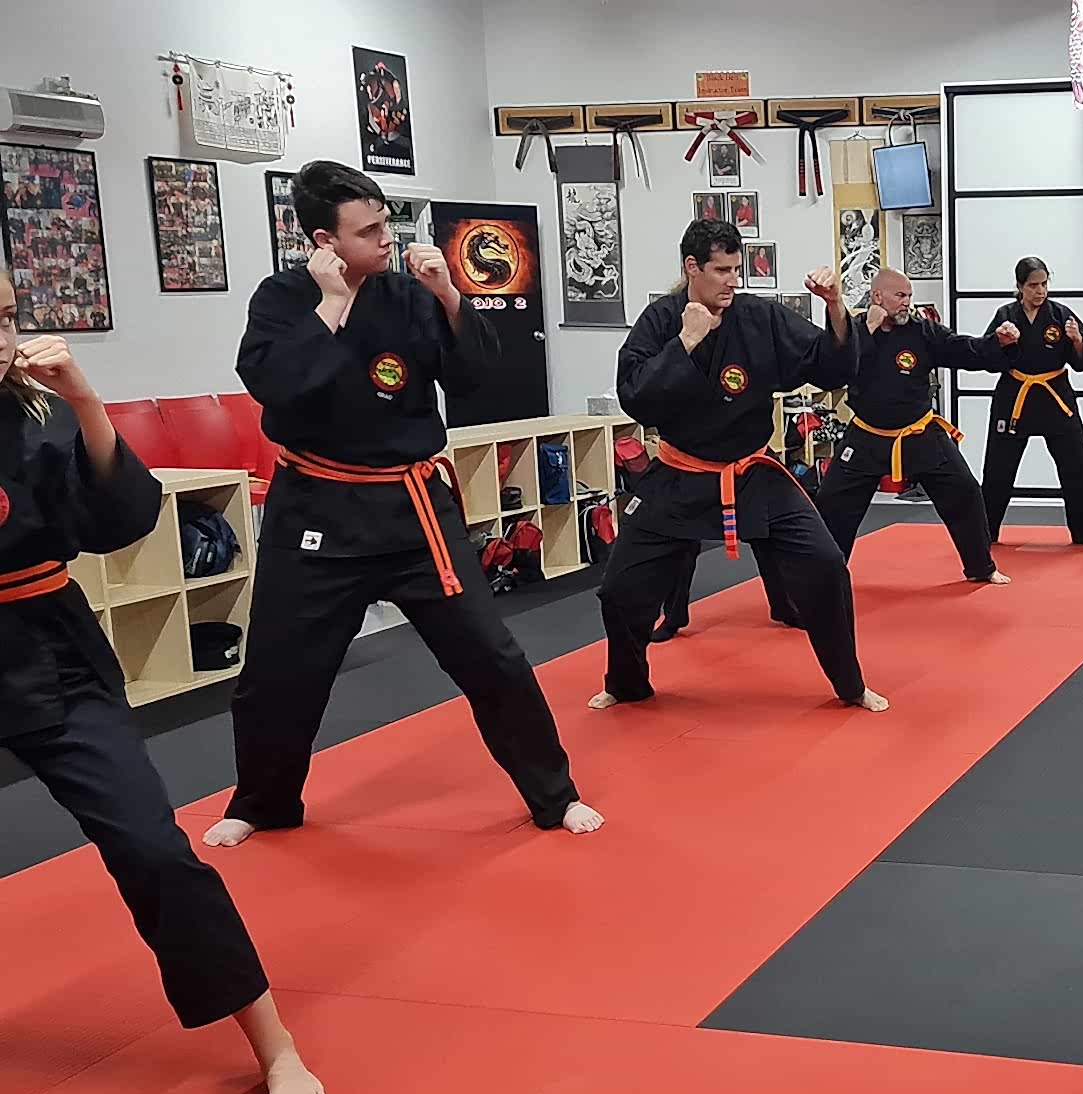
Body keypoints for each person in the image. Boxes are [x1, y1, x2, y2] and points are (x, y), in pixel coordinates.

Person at [203, 162, 599, 850]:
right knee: (277, 674)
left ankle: (554, 794)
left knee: (493, 656)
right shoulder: (283, 299)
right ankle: (264, 802)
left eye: (387, 222)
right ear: (324, 241)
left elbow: (475, 380)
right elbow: (278, 386)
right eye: (369, 230)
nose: (387, 238)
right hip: (318, 509)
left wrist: (449, 296)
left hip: (414, 510)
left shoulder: (408, 294)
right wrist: (331, 305)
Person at [1, 283, 324, 1094]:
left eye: (5, 317)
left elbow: (121, 520)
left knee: (153, 849)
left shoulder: (40, 412)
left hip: (49, 648)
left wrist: (86, 401)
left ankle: (273, 1040)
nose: (2, 337)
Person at [592, 218, 885, 712]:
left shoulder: (758, 317)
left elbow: (830, 366)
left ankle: (851, 685)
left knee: (825, 563)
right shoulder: (661, 320)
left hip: (752, 474)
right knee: (620, 590)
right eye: (721, 270)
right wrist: (685, 342)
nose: (733, 280)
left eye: (736, 269)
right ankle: (626, 683)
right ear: (692, 268)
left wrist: (835, 307)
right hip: (680, 475)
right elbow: (635, 397)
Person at [816, 268, 1011, 584]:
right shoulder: (855, 331)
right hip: (867, 435)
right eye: (900, 295)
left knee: (965, 492)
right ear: (877, 296)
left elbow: (963, 349)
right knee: (831, 504)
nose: (907, 302)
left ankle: (981, 567)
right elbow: (837, 368)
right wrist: (868, 327)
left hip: (919, 432)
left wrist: (997, 343)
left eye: (909, 295)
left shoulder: (922, 331)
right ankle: (824, 579)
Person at [979, 257, 1083, 548]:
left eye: (1044, 284)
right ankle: (986, 534)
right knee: (998, 468)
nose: (1040, 291)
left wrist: (1076, 341)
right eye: (1033, 285)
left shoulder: (1061, 314)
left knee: (1078, 465)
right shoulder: (1006, 315)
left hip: (1055, 397)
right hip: (1015, 397)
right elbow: (987, 358)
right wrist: (1002, 342)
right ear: (1019, 286)